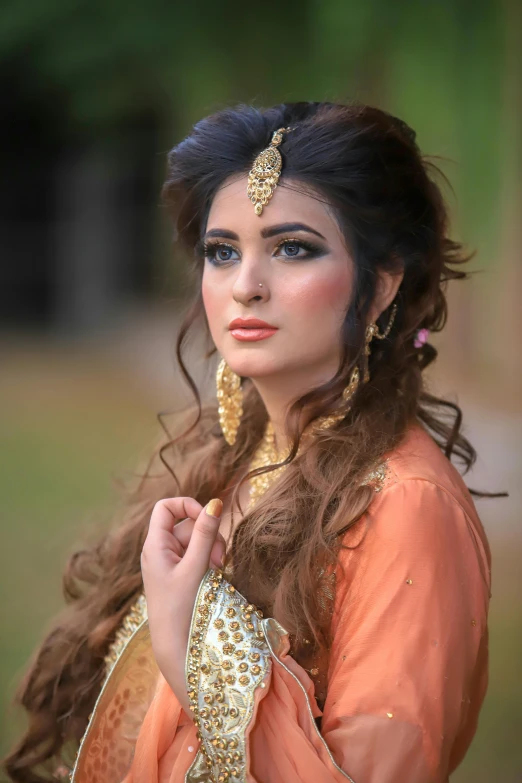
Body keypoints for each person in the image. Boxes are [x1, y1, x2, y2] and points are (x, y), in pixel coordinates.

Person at [4, 101, 494, 783]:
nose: (245, 286)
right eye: (222, 252)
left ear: (381, 286)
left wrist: (193, 643)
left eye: (293, 248)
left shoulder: (407, 506)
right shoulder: (234, 458)